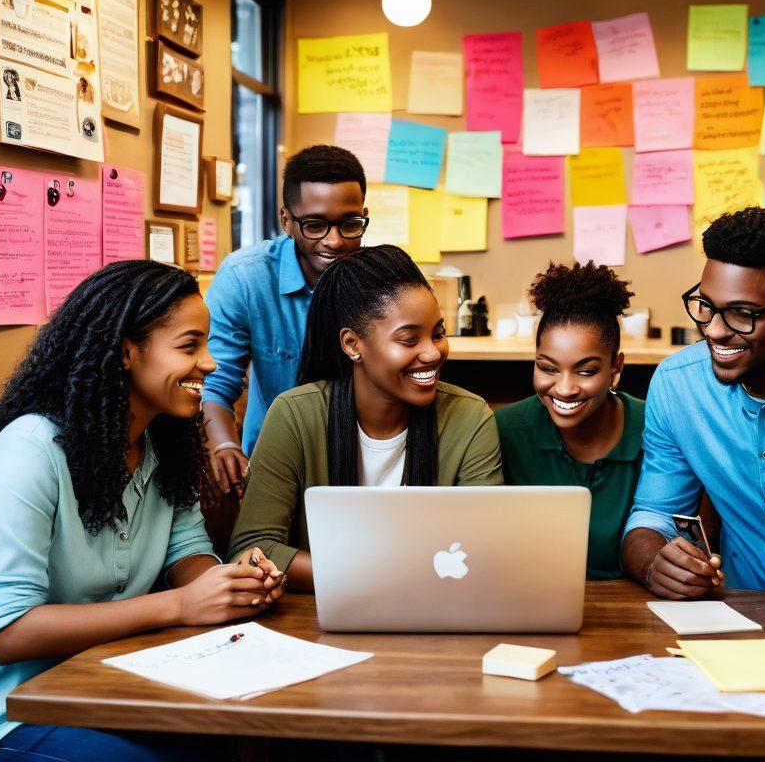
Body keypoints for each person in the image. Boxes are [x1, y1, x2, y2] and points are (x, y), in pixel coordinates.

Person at [0, 261, 284, 762]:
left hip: (110, 690)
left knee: (245, 738)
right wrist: (181, 606)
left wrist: (229, 583)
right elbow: (10, 632)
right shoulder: (31, 449)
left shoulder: (163, 443)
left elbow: (188, 552)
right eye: (189, 346)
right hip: (0, 718)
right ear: (125, 352)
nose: (212, 363)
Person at [227, 245, 503, 590]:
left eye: (438, 333)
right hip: (318, 620)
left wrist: (361, 573)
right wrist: (380, 575)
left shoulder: (470, 418)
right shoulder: (295, 415)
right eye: (408, 339)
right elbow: (251, 549)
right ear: (352, 344)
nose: (433, 353)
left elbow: (485, 548)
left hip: (437, 612)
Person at [622, 207, 765, 598]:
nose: (713, 330)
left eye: (741, 314)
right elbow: (653, 515)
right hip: (738, 611)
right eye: (706, 305)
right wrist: (654, 564)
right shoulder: (679, 385)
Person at [202, 145, 368, 498]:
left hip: (362, 464)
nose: (335, 241)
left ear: (364, 216)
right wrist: (223, 446)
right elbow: (216, 382)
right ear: (286, 220)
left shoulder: (380, 280)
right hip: (272, 466)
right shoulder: (246, 278)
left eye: (350, 224)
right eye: (314, 225)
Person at [495, 261, 643, 580]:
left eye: (586, 371)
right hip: (532, 605)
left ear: (616, 369)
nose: (564, 389)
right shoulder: (502, 431)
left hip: (632, 611)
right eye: (548, 368)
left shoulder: (653, 430)